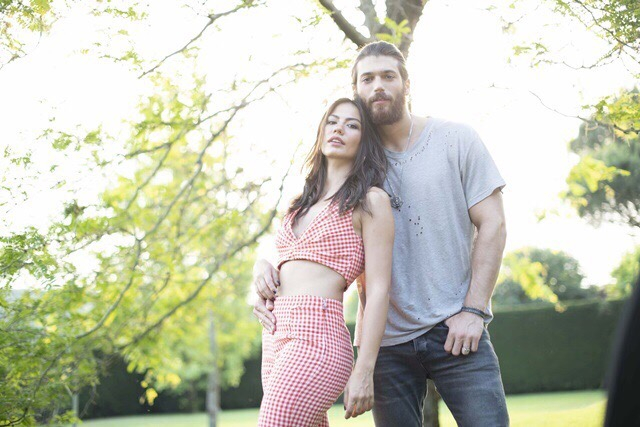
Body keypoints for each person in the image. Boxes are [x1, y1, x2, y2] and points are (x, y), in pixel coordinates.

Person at [255, 41, 509, 426]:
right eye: (367, 78)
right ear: (356, 89)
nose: (378, 86)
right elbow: (313, 240)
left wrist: (473, 311)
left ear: (407, 83)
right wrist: (264, 269)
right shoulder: (353, 166)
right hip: (386, 345)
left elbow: (494, 224)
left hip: (455, 329)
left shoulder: (455, 139)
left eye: (388, 76)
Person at [254, 97, 394, 426]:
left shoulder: (370, 201)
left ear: (364, 141)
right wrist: (260, 267)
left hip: (317, 337)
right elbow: (287, 261)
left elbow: (378, 290)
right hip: (274, 336)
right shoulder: (298, 204)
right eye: (332, 121)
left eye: (351, 125)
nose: (339, 129)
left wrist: (365, 369)